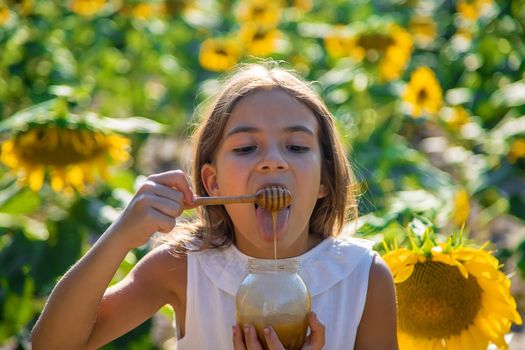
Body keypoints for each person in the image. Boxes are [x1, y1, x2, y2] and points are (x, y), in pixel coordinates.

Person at [31, 62, 398, 349]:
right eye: (245, 148)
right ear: (212, 182)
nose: (273, 161)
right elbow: (53, 344)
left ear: (323, 181)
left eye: (297, 147)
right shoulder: (183, 267)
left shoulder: (363, 277)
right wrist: (119, 236)